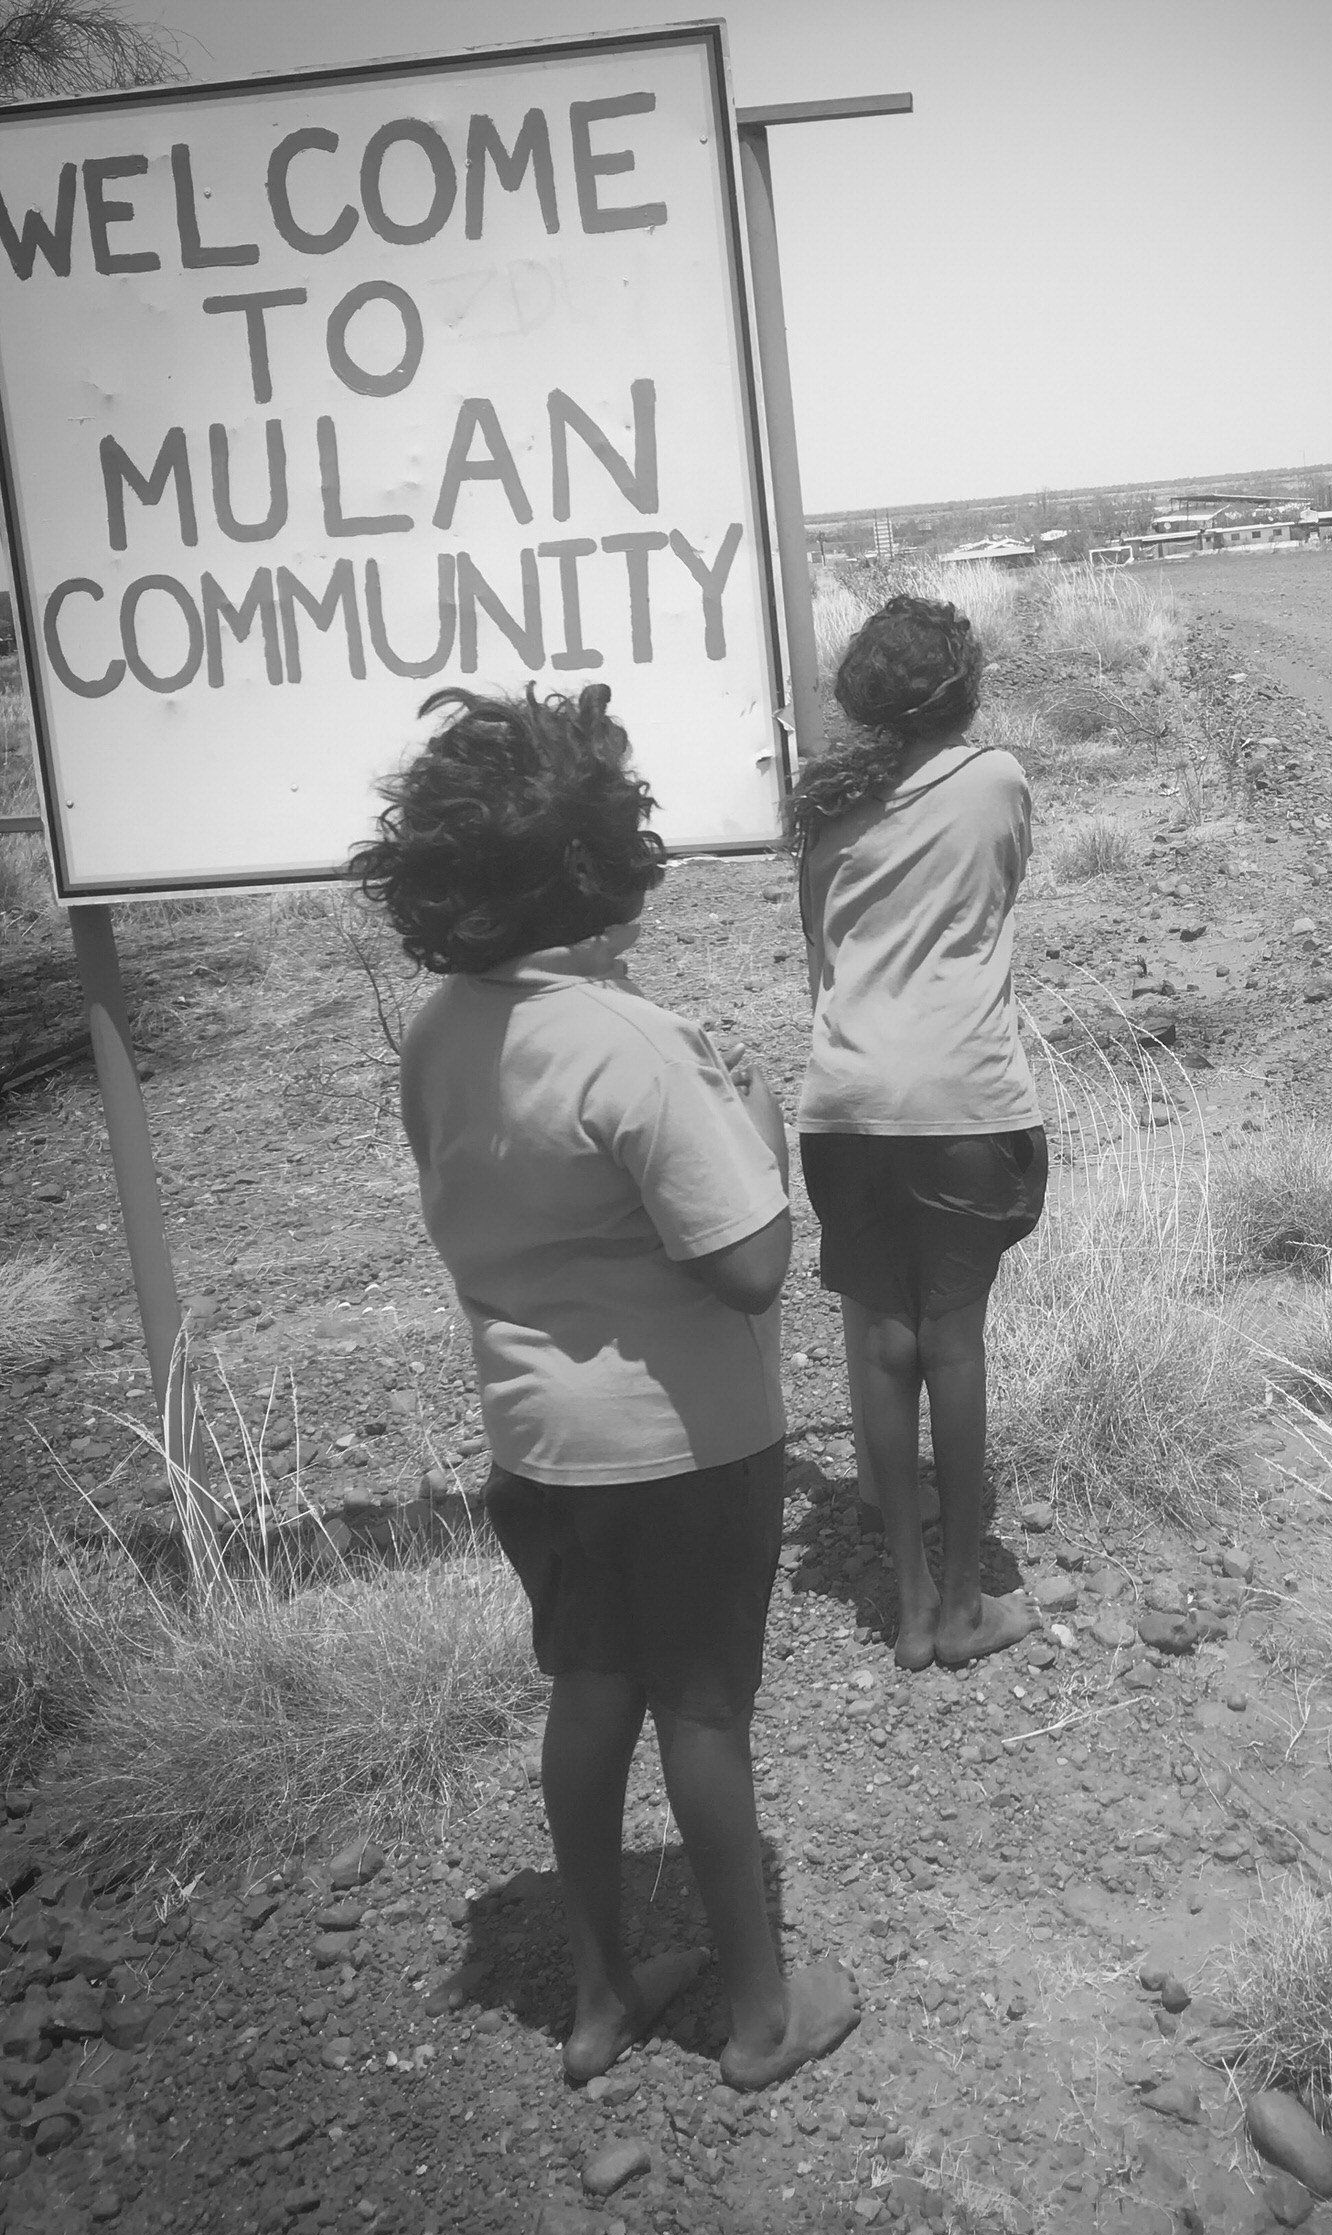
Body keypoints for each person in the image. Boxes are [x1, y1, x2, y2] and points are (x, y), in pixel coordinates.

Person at [351, 682, 859, 2084]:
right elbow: (751, 1263)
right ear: (599, 866)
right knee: (703, 1711)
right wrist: (750, 1125)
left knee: (590, 1697)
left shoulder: (445, 1028)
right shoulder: (635, 1044)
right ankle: (762, 2020)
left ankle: (601, 1993)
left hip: (536, 1449)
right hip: (683, 1450)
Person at [791, 595, 1048, 1672]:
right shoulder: (994, 781)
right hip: (964, 1098)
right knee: (954, 1338)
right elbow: (1000, 890)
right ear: (964, 688)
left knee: (879, 1344)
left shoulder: (823, 815)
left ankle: (904, 1601)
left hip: (844, 1101)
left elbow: (822, 957)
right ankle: (961, 1604)